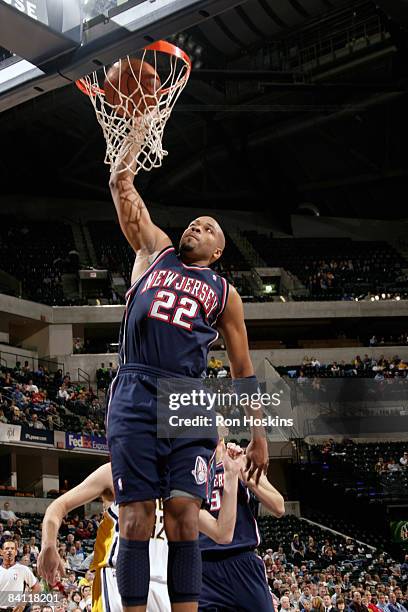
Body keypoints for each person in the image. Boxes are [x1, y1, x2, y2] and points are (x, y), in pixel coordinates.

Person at [107, 145, 269, 611]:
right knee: (135, 519)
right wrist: (134, 130)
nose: (195, 228)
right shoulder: (152, 253)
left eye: (208, 228)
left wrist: (259, 435)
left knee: (183, 517)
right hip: (136, 389)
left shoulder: (225, 293)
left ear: (217, 250)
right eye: (193, 223)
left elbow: (242, 370)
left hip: (189, 400)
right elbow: (122, 186)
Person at [38, 445, 243, 612]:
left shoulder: (179, 488)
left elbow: (222, 533)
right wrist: (48, 544)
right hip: (117, 578)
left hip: (164, 585)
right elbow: (58, 506)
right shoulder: (115, 471)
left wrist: (232, 477)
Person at [199, 439, 285, 611]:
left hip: (241, 559)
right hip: (203, 564)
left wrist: (250, 481)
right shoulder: (192, 466)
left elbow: (279, 507)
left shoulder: (241, 460)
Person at [0, 539, 40, 608]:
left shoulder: (23, 569)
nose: (9, 551)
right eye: (6, 548)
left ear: (16, 552)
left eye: (12, 548)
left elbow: (36, 587)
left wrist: (24, 601)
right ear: (1, 552)